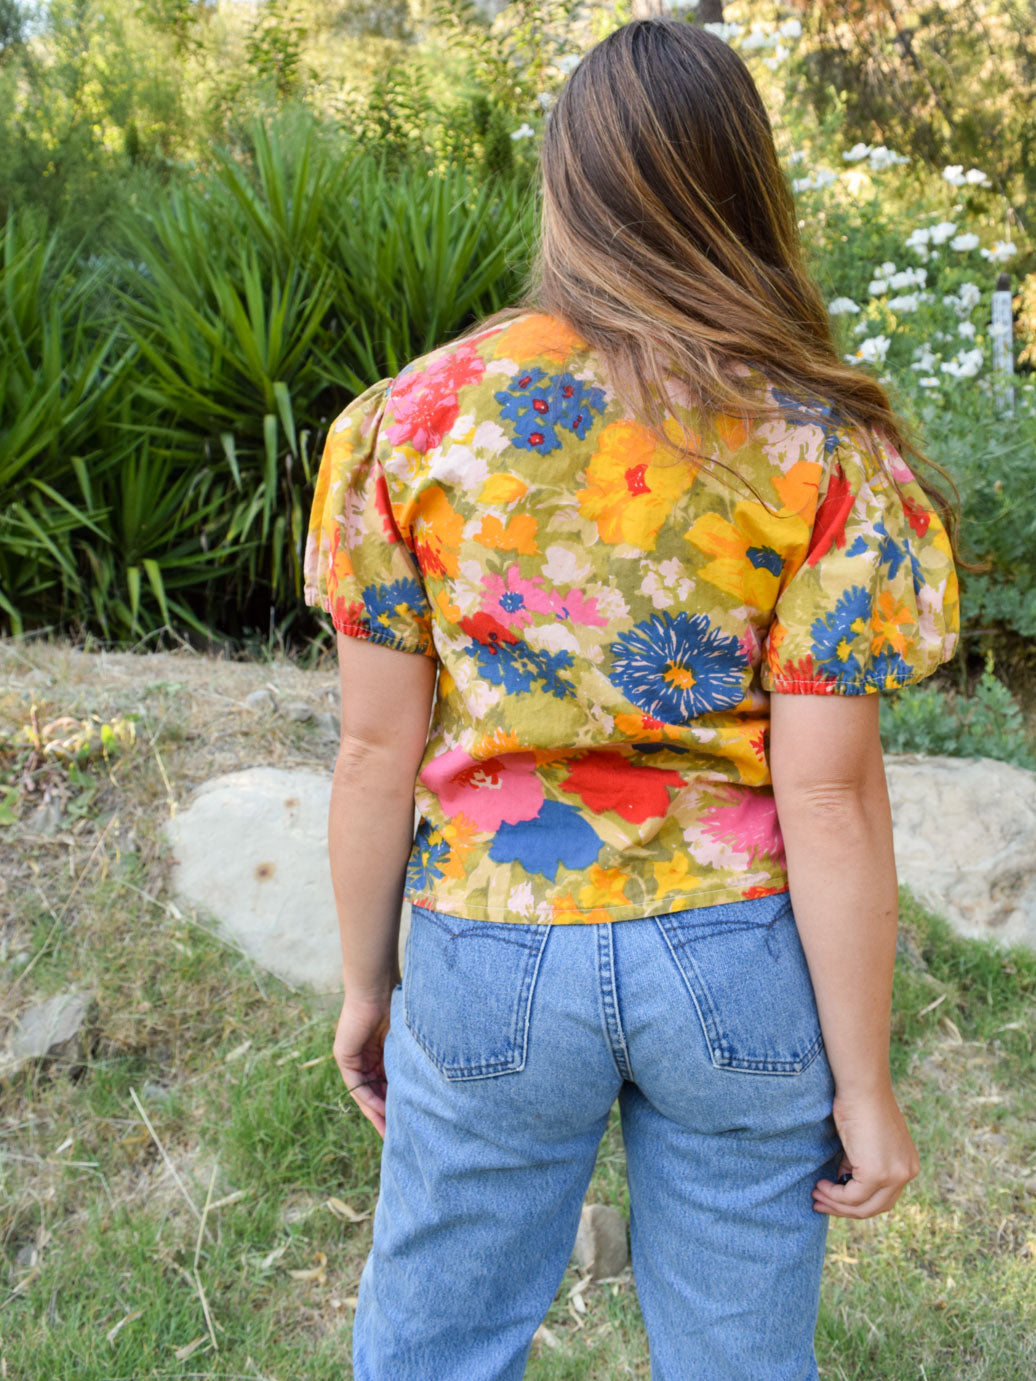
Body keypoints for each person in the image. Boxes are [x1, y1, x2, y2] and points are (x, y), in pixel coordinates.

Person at [303, 18, 959, 1380]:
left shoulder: (415, 426)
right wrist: (866, 1082)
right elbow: (828, 792)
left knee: (432, 1348)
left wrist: (368, 981)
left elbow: (376, 750)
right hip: (735, 952)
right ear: (745, 190)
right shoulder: (818, 442)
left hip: (489, 941)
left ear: (565, 184)